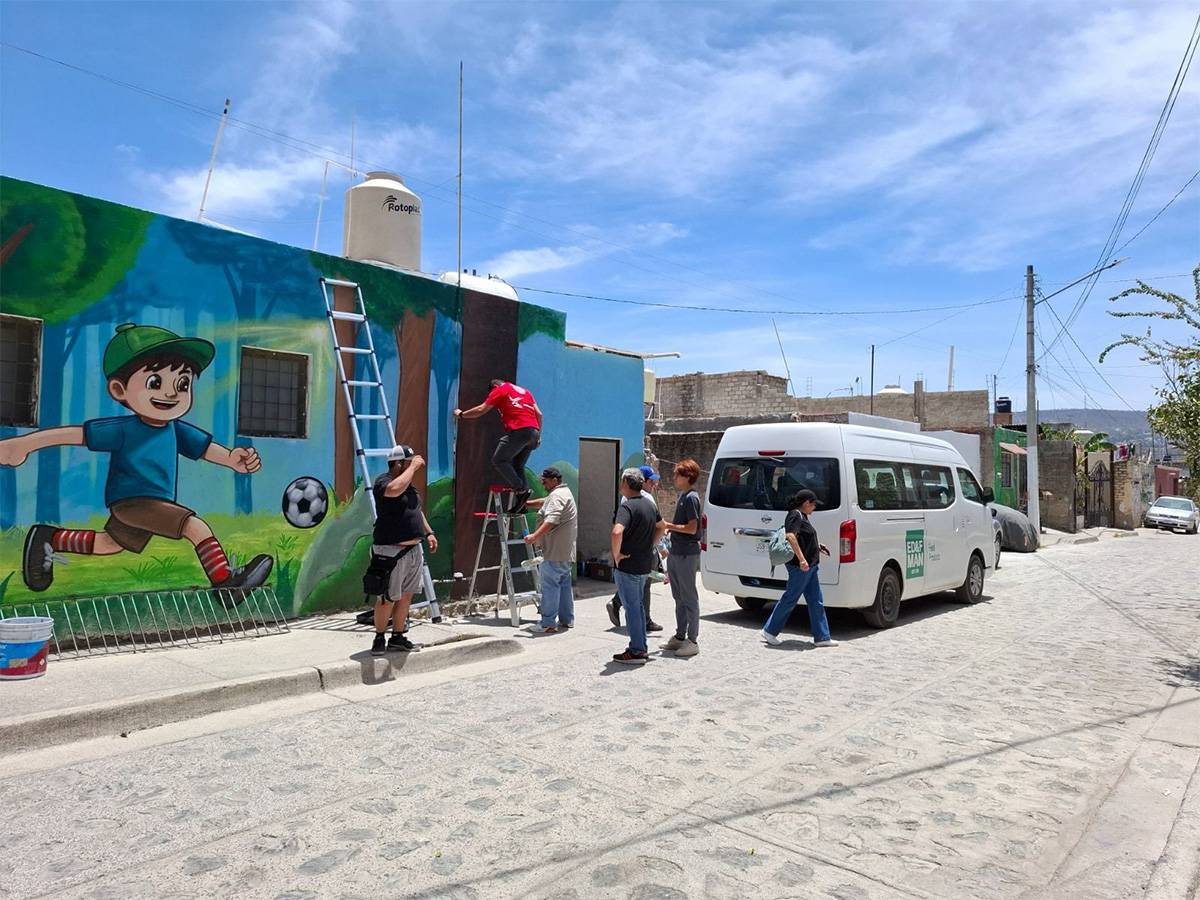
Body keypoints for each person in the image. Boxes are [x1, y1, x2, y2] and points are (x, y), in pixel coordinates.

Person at [0, 323, 272, 596]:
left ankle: (49, 539)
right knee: (194, 526)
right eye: (155, 382)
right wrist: (24, 444)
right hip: (134, 502)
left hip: (153, 502)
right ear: (119, 390)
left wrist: (231, 459)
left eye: (183, 383)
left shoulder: (175, 428)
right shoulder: (124, 429)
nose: (171, 393)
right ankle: (225, 583)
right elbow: (76, 434)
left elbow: (203, 449)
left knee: (110, 544)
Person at [367, 445, 438, 656]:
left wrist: (429, 532)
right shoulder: (384, 481)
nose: (414, 467)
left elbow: (416, 511)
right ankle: (379, 637)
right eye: (408, 463)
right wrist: (413, 467)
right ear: (398, 464)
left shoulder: (409, 486)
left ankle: (397, 637)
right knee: (386, 597)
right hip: (389, 551)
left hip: (413, 550)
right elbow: (393, 490)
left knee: (405, 597)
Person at [760, 489, 838, 648]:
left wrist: (817, 546)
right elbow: (790, 536)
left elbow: (804, 537)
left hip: (810, 566)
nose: (814, 507)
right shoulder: (795, 515)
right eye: (813, 504)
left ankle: (822, 637)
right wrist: (802, 560)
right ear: (806, 503)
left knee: (816, 601)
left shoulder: (803, 516)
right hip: (801, 567)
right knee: (790, 598)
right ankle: (769, 631)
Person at [454, 379, 542, 513]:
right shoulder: (525, 392)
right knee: (518, 465)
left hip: (520, 430)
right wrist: (538, 435)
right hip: (534, 433)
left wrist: (461, 415)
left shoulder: (499, 390)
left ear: (494, 387)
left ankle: (520, 489)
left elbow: (481, 409)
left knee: (499, 460)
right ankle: (521, 504)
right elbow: (539, 414)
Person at [611, 468, 667, 665]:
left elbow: (617, 532)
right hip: (643, 564)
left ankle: (637, 650)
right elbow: (662, 526)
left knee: (632, 609)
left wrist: (616, 555)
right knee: (639, 607)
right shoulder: (649, 504)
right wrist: (651, 543)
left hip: (628, 566)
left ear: (626, 484)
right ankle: (641, 646)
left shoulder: (627, 507)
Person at [523, 467, 578, 634]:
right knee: (563, 585)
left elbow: (552, 520)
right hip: (564, 550)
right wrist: (526, 504)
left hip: (554, 551)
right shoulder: (563, 493)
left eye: (545, 482)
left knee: (550, 585)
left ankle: (547, 624)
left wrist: (534, 536)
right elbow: (546, 502)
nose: (543, 484)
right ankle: (566, 620)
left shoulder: (557, 496)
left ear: (555, 480)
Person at [661, 459, 702, 657]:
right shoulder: (683, 496)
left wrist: (669, 525)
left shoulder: (692, 498)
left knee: (689, 597)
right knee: (678, 597)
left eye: (678, 474)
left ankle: (692, 639)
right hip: (676, 551)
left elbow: (692, 528)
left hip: (687, 552)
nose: (674, 477)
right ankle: (679, 636)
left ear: (687, 477)